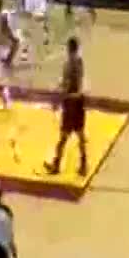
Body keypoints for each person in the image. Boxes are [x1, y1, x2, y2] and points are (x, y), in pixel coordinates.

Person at [45, 37, 87, 176]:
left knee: (63, 137)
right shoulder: (80, 62)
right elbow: (77, 82)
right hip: (79, 100)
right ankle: (83, 165)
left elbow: (67, 84)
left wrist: (57, 100)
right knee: (80, 134)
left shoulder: (68, 64)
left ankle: (56, 165)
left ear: (68, 48)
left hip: (70, 102)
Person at [0, 0, 19, 111]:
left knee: (2, 77)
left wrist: (13, 40)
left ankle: (6, 103)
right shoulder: (1, 15)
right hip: (2, 47)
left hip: (3, 48)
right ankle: (6, 101)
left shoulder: (3, 16)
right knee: (2, 77)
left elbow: (8, 30)